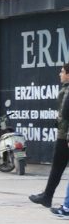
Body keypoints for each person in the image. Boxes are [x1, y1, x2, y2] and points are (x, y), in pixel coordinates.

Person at [30, 63, 69, 207]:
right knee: (57, 167)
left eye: (62, 71)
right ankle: (47, 196)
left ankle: (47, 197)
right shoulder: (66, 88)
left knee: (57, 167)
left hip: (64, 136)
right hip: (63, 134)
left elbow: (66, 113)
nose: (60, 74)